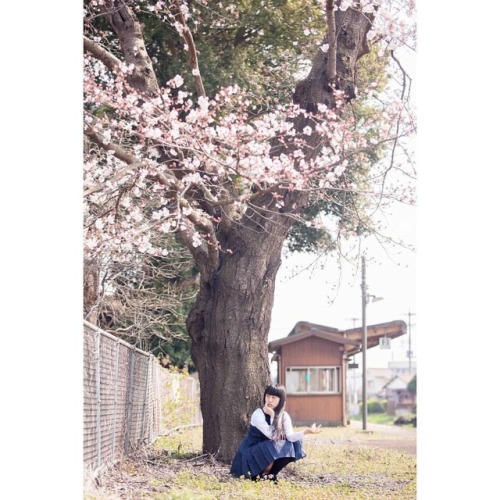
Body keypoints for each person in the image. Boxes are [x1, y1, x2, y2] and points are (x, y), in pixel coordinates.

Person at [229, 384, 322, 483]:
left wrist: (307, 431)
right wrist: (273, 416)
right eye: (267, 396)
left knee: (293, 444)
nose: (269, 400)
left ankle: (270, 474)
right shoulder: (258, 414)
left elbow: (290, 437)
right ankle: (260, 475)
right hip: (251, 453)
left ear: (281, 400)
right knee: (274, 445)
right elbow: (272, 435)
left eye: (273, 397)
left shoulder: (284, 415)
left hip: (267, 450)